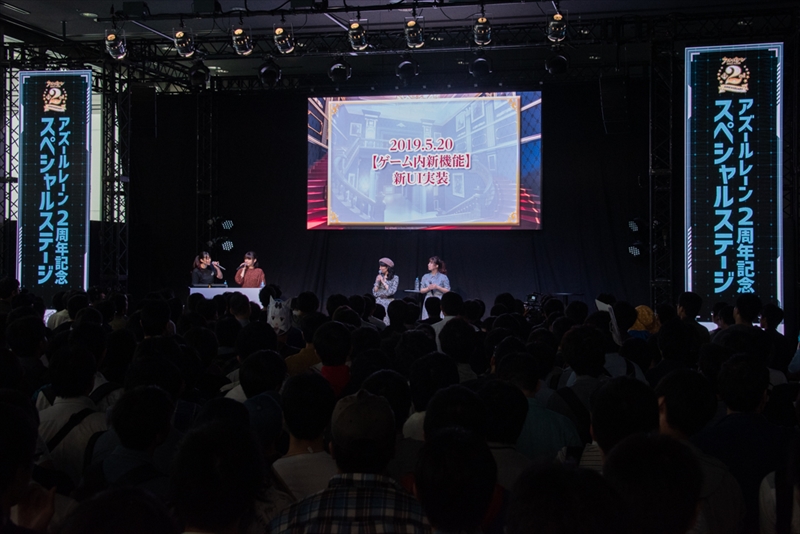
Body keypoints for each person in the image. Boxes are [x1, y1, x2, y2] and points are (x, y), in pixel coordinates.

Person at [419, 256, 450, 320]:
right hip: (428, 299)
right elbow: (421, 290)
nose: (428, 264)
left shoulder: (443, 277)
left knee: (439, 317)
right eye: (429, 263)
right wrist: (428, 288)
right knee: (427, 318)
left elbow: (447, 290)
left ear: (436, 266)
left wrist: (437, 287)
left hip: (439, 299)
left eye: (431, 263)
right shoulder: (425, 276)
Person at [372, 257, 398, 323]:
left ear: (387, 267)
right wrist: (377, 282)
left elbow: (391, 291)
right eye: (379, 266)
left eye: (381, 266)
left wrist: (383, 282)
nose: (380, 268)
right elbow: (375, 292)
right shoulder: (379, 276)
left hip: (388, 302)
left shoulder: (395, 278)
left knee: (386, 321)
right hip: (378, 302)